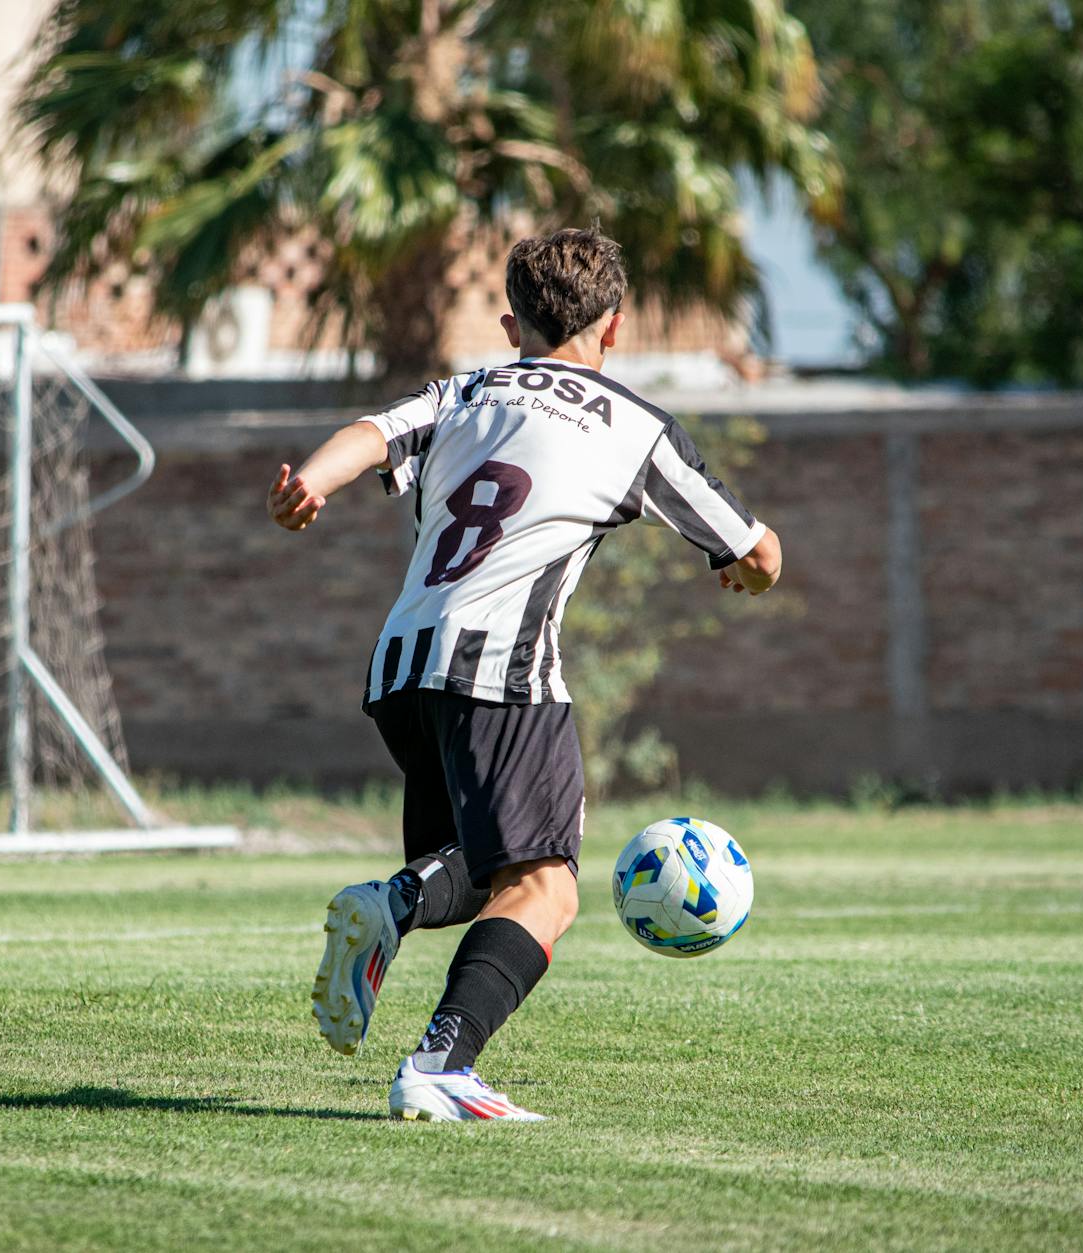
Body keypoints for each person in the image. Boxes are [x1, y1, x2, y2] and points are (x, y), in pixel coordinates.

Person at [266, 227, 782, 1121]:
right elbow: (759, 549)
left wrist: (307, 484)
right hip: (501, 670)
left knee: (485, 868)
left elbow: (371, 434)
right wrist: (747, 565)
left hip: (402, 663)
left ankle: (390, 904)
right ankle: (439, 1067)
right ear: (613, 328)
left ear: (514, 325)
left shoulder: (468, 391)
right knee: (549, 885)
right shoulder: (634, 425)